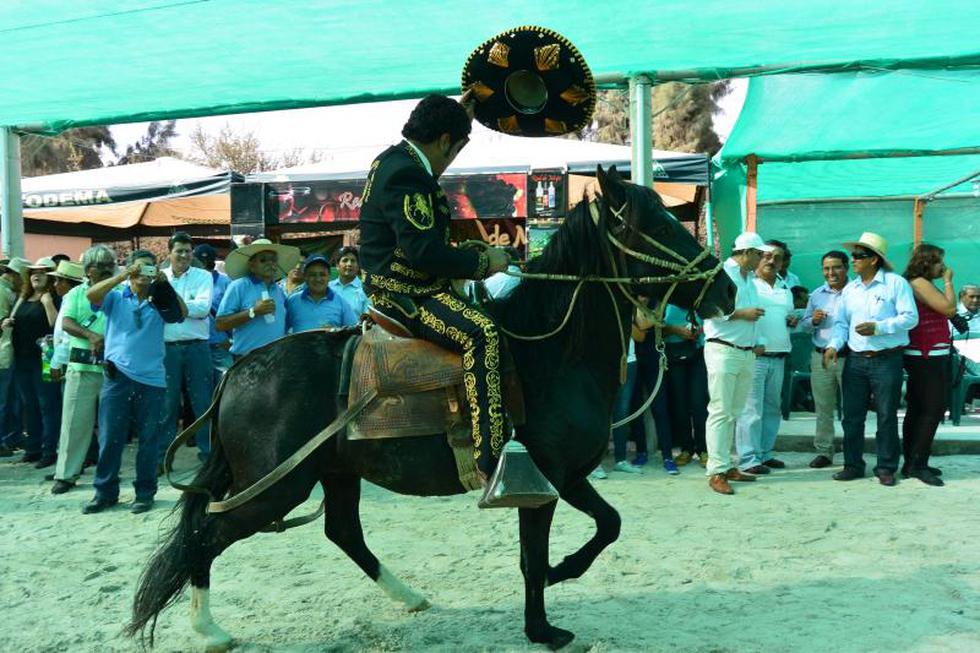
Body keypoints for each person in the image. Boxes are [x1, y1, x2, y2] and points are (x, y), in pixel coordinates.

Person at [358, 94, 510, 486]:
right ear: (443, 141)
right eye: (455, 149)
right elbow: (423, 252)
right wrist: (484, 263)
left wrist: (460, 115)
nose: (451, 160)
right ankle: (491, 459)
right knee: (483, 333)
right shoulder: (408, 174)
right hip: (407, 294)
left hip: (406, 283)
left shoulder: (393, 160)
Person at [83, 250, 187, 514]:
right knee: (110, 437)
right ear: (129, 269)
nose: (144, 272)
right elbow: (92, 295)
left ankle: (145, 492)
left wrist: (166, 285)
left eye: (150, 268)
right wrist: (121, 277)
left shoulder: (160, 299)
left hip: (151, 380)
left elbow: (182, 314)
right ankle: (104, 492)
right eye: (139, 267)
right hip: (117, 376)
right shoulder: (116, 297)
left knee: (149, 439)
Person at [824, 232, 918, 487]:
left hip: (887, 359)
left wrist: (878, 328)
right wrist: (833, 346)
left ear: (874, 259)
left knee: (886, 416)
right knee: (852, 417)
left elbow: (911, 318)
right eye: (853, 255)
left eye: (859, 255)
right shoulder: (850, 289)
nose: (853, 260)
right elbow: (842, 324)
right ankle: (853, 465)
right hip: (855, 360)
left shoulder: (895, 283)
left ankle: (886, 467)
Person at [702, 232, 772, 495]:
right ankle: (716, 471)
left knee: (733, 411)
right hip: (722, 349)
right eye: (759, 254)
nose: (762, 259)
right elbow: (708, 309)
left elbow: (755, 317)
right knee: (720, 411)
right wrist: (741, 314)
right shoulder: (721, 274)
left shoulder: (749, 280)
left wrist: (759, 340)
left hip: (745, 351)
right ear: (747, 252)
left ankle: (726, 464)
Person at [49, 250, 115, 494]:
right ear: (88, 270)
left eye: (110, 263)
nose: (107, 268)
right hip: (82, 366)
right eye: (101, 264)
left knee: (111, 426)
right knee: (74, 424)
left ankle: (109, 473)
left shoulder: (120, 291)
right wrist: (91, 335)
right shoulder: (75, 293)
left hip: (113, 367)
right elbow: (66, 323)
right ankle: (66, 474)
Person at [735, 243, 796, 474]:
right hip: (756, 357)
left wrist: (792, 320)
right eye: (767, 256)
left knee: (772, 409)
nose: (771, 261)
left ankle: (765, 454)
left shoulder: (785, 287)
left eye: (777, 258)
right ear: (758, 257)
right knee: (751, 411)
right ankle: (748, 459)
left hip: (779, 356)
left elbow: (785, 317)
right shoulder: (748, 284)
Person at [901, 244, 956, 486]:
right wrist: (948, 282)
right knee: (933, 408)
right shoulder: (919, 283)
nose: (942, 266)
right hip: (925, 354)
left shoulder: (921, 282)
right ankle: (917, 465)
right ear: (926, 262)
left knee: (919, 408)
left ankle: (912, 461)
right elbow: (949, 308)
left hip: (928, 353)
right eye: (938, 262)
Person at [160, 232, 214, 464]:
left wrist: (172, 304)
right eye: (179, 251)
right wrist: (184, 308)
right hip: (167, 349)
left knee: (202, 403)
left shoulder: (203, 276)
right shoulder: (159, 277)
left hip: (197, 348)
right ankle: (162, 457)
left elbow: (202, 309)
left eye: (188, 251)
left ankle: (208, 456)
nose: (184, 255)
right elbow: (157, 312)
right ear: (169, 253)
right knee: (167, 405)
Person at [4, 257, 62, 468]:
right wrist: (6, 322)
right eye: (33, 272)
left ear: (50, 277)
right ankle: (33, 449)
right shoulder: (23, 297)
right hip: (22, 359)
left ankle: (49, 451)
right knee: (29, 405)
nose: (36, 275)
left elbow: (56, 325)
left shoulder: (54, 298)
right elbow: (12, 320)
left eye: (42, 272)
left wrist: (47, 303)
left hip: (44, 359)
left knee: (48, 405)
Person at [800, 250, 849, 468]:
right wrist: (814, 320)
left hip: (849, 357)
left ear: (846, 268)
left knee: (852, 409)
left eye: (836, 267)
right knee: (823, 408)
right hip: (821, 358)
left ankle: (851, 451)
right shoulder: (816, 295)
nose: (831, 272)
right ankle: (824, 451)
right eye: (826, 268)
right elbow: (804, 326)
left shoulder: (856, 292)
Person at [216, 238, 300, 360]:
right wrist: (253, 312)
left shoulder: (278, 290)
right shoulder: (239, 286)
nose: (270, 263)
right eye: (263, 260)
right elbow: (220, 324)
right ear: (252, 266)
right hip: (247, 360)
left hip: (276, 359)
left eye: (273, 260)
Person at [663, 303, 708, 467]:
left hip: (698, 352)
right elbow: (655, 326)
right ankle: (686, 449)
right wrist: (675, 330)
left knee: (699, 403)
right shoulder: (665, 300)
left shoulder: (698, 297)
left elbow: (713, 321)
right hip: (673, 353)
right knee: (679, 404)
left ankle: (704, 449)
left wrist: (699, 330)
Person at [286, 255, 359, 332]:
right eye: (313, 275)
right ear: (305, 277)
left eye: (322, 274)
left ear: (329, 277)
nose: (318, 279)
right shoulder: (293, 301)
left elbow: (354, 332)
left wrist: (336, 332)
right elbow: (281, 329)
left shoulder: (341, 303)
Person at [0, 258, 28, 458]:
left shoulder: (8, 291)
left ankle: (12, 437)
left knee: (11, 400)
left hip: (9, 353)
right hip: (3, 353)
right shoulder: (2, 292)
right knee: (3, 401)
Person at [193, 244, 233, 384]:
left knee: (225, 385)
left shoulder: (226, 282)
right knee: (200, 386)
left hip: (220, 344)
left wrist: (231, 339)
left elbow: (233, 311)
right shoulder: (190, 282)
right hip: (196, 343)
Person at [329, 246, 371, 316]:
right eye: (345, 260)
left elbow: (367, 319)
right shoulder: (328, 287)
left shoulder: (365, 290)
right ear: (337, 266)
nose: (349, 264)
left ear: (358, 266)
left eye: (353, 261)